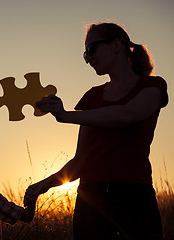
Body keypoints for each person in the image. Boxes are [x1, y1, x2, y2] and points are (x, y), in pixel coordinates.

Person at [24, 22, 168, 240]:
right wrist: (41, 186)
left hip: (134, 196)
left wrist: (66, 115)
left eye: (91, 49)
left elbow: (127, 115)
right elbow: (80, 161)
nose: (88, 58)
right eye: (85, 54)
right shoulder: (92, 97)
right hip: (91, 198)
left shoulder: (152, 86)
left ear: (117, 46)